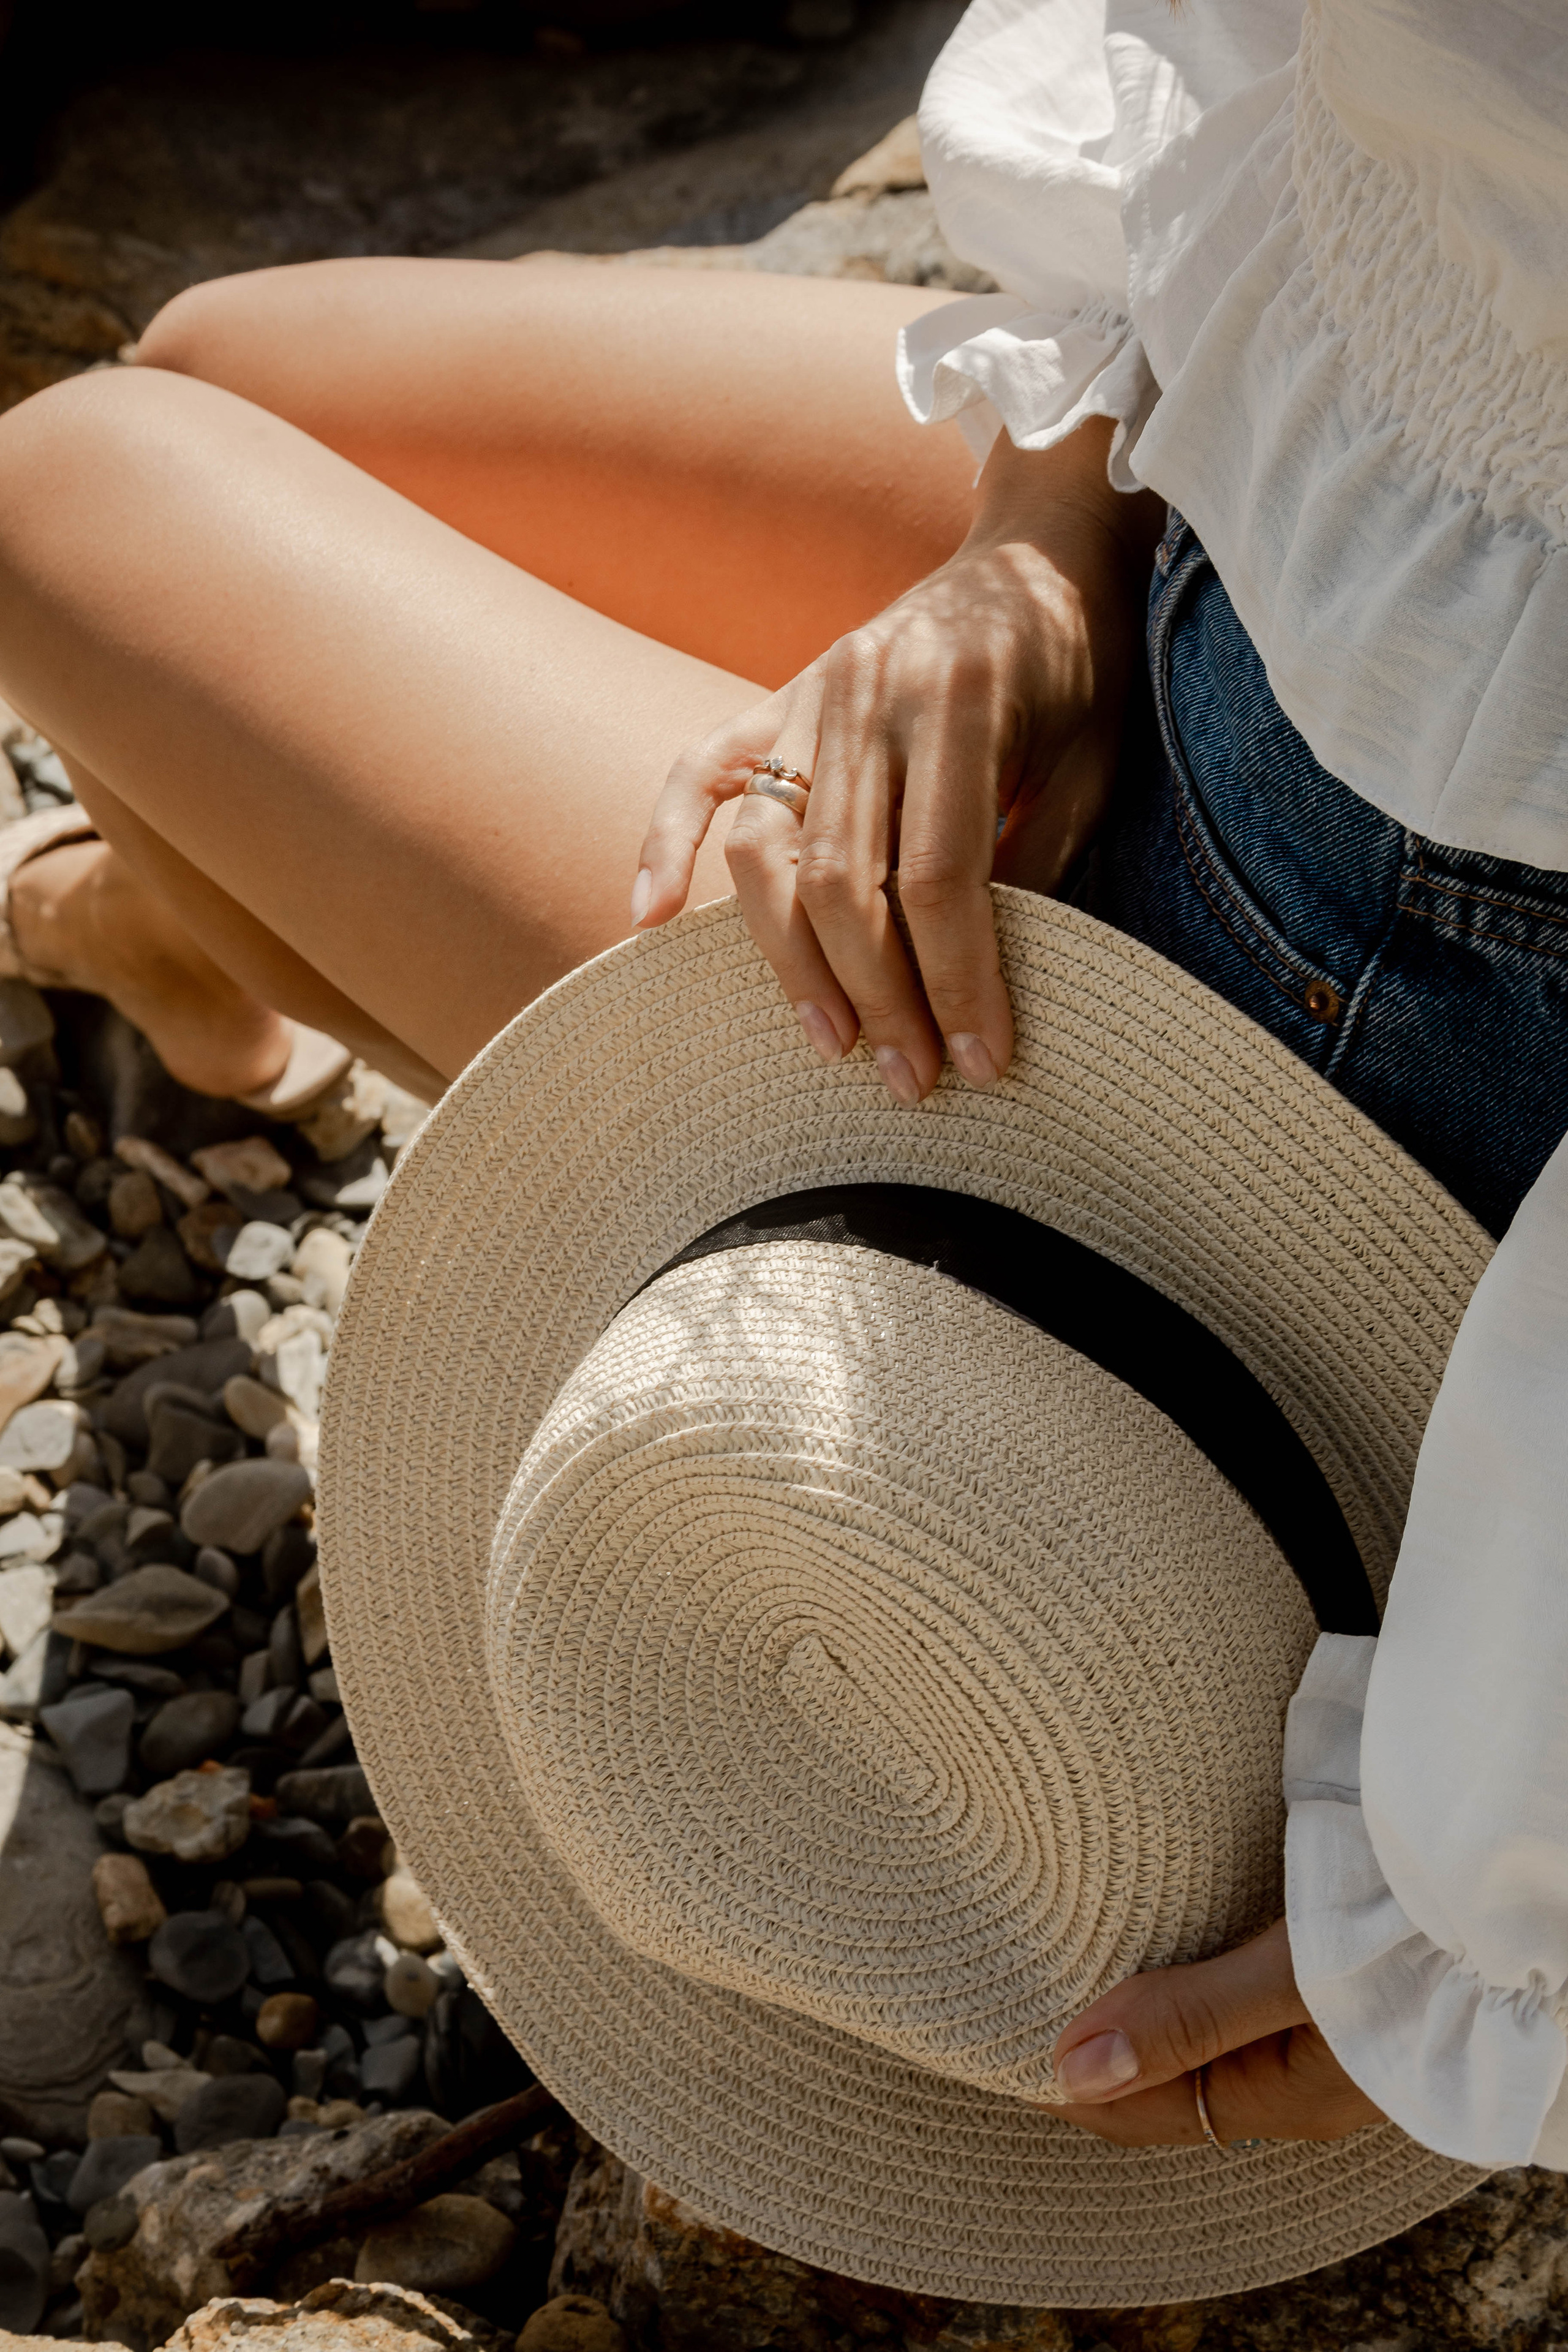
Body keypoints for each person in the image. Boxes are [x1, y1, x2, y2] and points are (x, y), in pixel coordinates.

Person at [0, 0, 1563, 2173]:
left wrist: (1497, 1934)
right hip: (1321, 453)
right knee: (229, 361)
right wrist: (1038, 539)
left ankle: (197, 927)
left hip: (1403, 1027)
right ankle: (194, 931)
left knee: (68, 489)